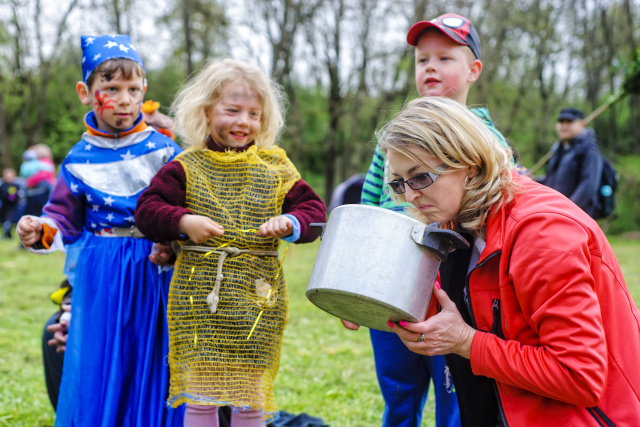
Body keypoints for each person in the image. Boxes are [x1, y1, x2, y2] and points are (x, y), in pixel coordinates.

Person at [380, 96, 640, 426]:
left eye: (420, 177)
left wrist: (465, 342)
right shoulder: (456, 221)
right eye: (399, 182)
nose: (410, 195)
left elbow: (579, 376)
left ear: (469, 163)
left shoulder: (542, 233)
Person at [135, 58, 326, 426]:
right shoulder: (186, 166)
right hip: (198, 302)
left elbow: (314, 212)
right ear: (207, 111)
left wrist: (291, 222)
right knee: (201, 399)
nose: (244, 122)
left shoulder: (276, 167)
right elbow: (147, 210)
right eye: (233, 110)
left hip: (257, 301)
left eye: (254, 114)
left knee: (249, 399)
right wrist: (183, 221)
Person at [16, 34, 184, 427]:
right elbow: (63, 219)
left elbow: (184, 207)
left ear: (144, 90)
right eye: (111, 89)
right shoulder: (77, 160)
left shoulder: (164, 151)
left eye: (133, 89)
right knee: (103, 358)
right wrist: (39, 230)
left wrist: (174, 241)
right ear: (85, 92)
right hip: (102, 273)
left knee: (152, 356)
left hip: (155, 269)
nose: (124, 100)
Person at [357, 13, 513, 427]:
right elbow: (370, 213)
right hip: (391, 283)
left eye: (445, 58)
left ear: (473, 70)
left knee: (454, 393)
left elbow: (504, 213)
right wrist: (356, 289)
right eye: (422, 59)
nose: (431, 67)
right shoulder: (394, 138)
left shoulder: (487, 139)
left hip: (452, 290)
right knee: (398, 390)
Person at [538, 107, 602, 219]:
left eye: (569, 122)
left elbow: (588, 186)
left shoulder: (589, 149)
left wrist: (566, 211)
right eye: (561, 122)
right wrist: (531, 179)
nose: (564, 126)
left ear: (582, 124)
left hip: (574, 217)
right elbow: (551, 180)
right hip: (555, 213)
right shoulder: (558, 149)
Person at [0, 168, 21, 239]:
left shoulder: (15, 185)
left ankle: (8, 234)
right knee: (6, 220)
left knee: (9, 220)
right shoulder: (3, 185)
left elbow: (18, 196)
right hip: (5, 206)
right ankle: (7, 234)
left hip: (13, 206)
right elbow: (2, 195)